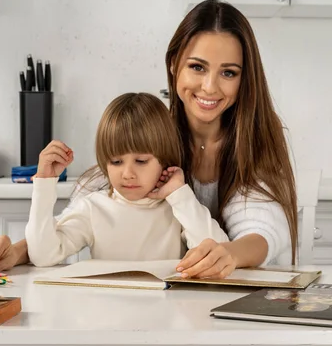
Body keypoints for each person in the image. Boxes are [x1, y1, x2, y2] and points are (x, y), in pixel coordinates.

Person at [0, 0, 297, 278]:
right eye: (197, 67)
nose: (210, 86)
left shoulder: (255, 141)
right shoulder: (149, 137)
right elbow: (87, 212)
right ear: (174, 65)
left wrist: (231, 255)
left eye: (228, 72)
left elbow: (264, 231)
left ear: (244, 79)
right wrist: (18, 251)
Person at [23, 92, 230, 277]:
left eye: (141, 161)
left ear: (164, 160)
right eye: (116, 162)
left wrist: (179, 194)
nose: (128, 174)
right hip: (107, 313)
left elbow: (219, 252)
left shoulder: (177, 207)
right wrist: (44, 183)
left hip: (165, 313)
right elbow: (43, 255)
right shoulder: (93, 208)